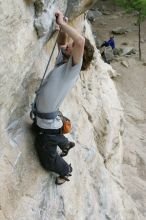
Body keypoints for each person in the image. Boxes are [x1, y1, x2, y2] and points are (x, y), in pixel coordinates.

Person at [31, 10, 94, 185]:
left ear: (78, 55)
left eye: (71, 46)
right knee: (37, 130)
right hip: (45, 120)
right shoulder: (64, 60)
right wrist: (63, 29)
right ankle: (63, 142)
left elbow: (80, 41)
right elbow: (61, 42)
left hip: (48, 125)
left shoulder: (72, 69)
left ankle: (66, 171)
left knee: (46, 158)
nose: (68, 46)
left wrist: (63, 23)